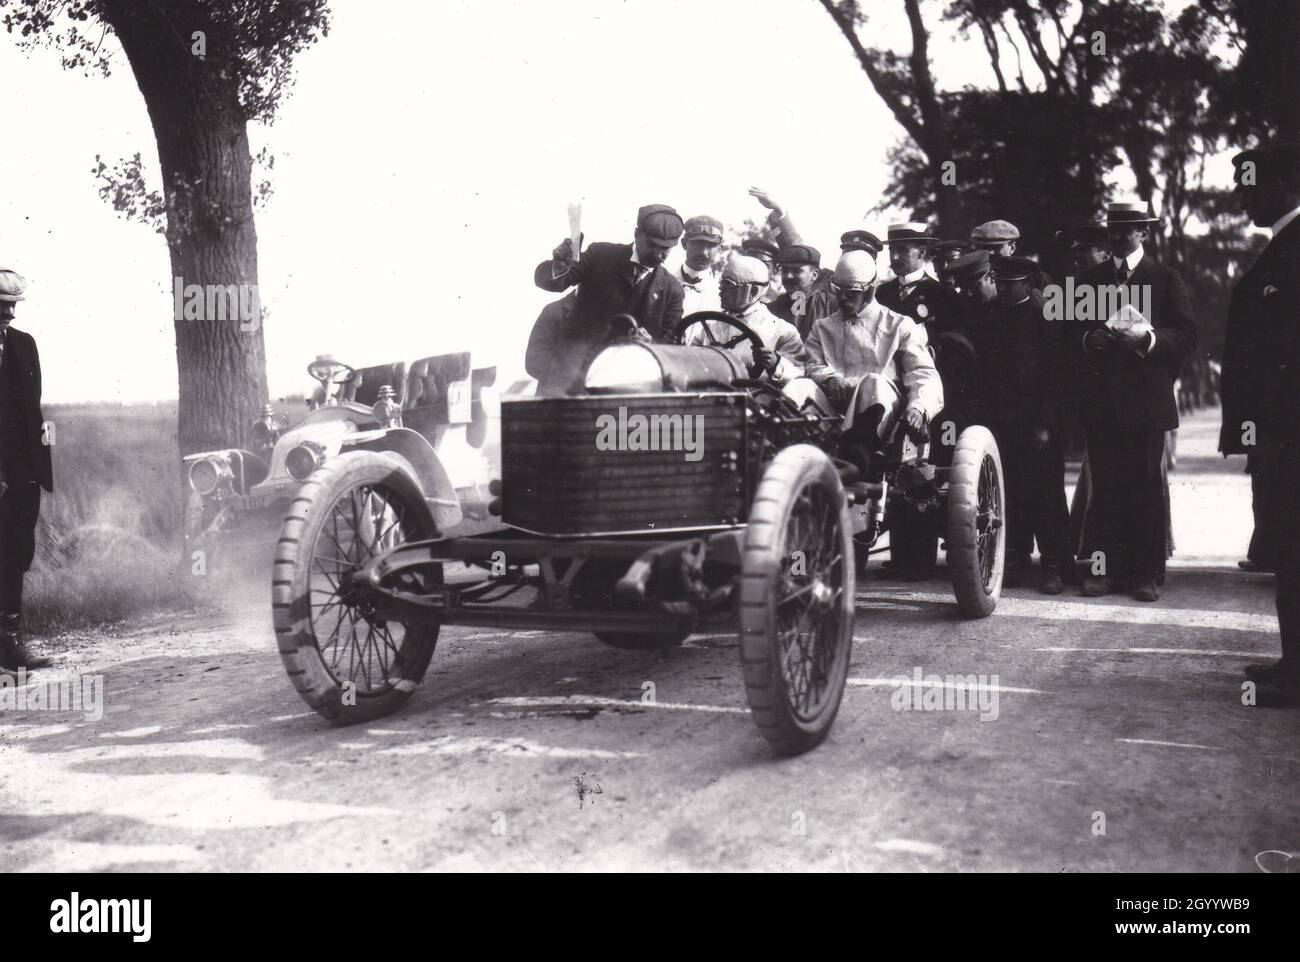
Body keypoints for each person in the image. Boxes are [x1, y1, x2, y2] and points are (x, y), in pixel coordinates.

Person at [1075, 200, 1196, 602]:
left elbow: (1187, 335)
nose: (1117, 236)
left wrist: (1147, 340)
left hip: (1146, 405)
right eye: (1113, 228)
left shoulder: (1163, 278)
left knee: (1144, 489)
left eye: (1127, 229)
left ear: (1144, 232)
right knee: (1105, 489)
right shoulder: (1088, 280)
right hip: (1100, 403)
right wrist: (1086, 338)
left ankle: (1146, 575)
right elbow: (1066, 334)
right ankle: (1103, 572)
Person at [1219, 142, 1300, 707]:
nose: (1243, 194)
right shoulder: (1280, 249)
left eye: (1252, 184)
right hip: (1277, 437)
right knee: (1287, 555)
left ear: (1287, 187)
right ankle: (1291, 664)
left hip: (1290, 436)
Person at [979, 255, 1074, 594]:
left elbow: (1054, 375)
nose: (1003, 288)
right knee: (1011, 493)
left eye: (1011, 283)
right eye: (1000, 282)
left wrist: (1047, 423)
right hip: (1003, 423)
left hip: (1037, 423)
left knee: (1047, 495)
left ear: (1027, 284)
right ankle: (1016, 560)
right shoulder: (991, 316)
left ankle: (1053, 566)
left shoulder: (1044, 317)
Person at [532, 203, 685, 395]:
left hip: (627, 392)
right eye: (652, 245)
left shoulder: (673, 290)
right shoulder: (599, 255)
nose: (657, 254)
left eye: (665, 249)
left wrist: (651, 342)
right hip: (569, 385)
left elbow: (672, 350)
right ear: (637, 234)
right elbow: (553, 284)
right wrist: (560, 265)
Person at [803, 250, 941, 461]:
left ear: (870, 291)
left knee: (872, 382)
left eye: (851, 292)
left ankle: (861, 455)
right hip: (832, 411)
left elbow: (922, 373)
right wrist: (829, 377)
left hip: (883, 418)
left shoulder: (898, 325)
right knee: (800, 387)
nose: (841, 298)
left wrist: (918, 407)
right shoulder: (822, 327)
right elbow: (812, 364)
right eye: (837, 290)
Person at [0, 269, 53, 672]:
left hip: (22, 473)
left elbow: (30, 409)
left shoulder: (24, 345)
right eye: (1, 306)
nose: (9, 313)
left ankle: (11, 644)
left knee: (16, 552)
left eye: (12, 306)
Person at [683, 254, 805, 385]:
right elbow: (690, 359)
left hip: (752, 400)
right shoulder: (711, 325)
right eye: (721, 282)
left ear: (752, 291)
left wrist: (775, 364)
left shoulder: (783, 332)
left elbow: (798, 379)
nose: (720, 288)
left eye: (728, 284)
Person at [876, 223, 960, 340]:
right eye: (892, 250)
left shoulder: (943, 295)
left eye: (902, 250)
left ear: (921, 253)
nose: (894, 257)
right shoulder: (882, 293)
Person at [769, 244, 835, 339]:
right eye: (785, 270)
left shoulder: (830, 306)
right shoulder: (774, 307)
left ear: (814, 275)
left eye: (796, 271)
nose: (788, 276)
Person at [677, 215, 724, 315]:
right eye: (697, 244)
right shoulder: (663, 282)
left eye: (711, 245)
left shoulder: (722, 292)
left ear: (720, 249)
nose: (703, 252)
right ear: (684, 244)